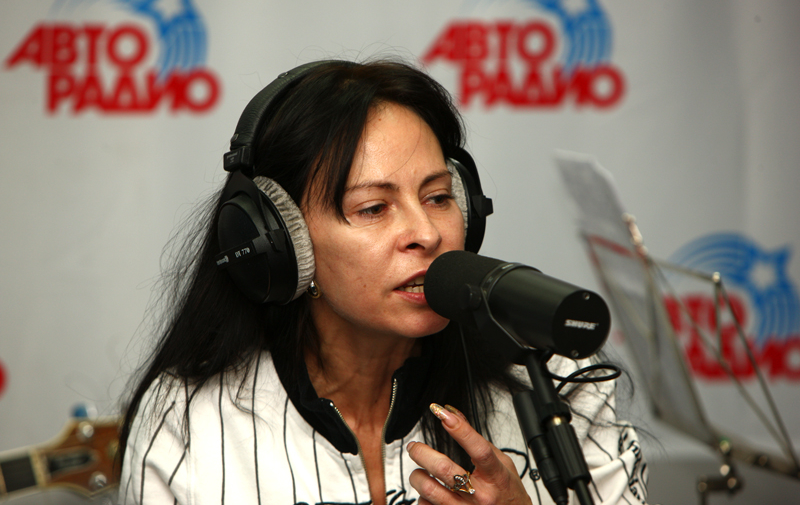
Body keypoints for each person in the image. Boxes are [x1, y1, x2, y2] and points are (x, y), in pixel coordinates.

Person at [118, 59, 648, 505]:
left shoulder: (560, 383)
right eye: (373, 208)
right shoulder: (187, 419)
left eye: (438, 198)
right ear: (282, 242)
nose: (426, 233)